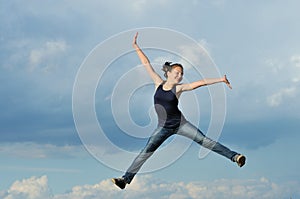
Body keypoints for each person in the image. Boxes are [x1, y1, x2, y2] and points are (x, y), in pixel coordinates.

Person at [112, 32, 246, 189]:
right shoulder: (158, 83)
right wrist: (136, 47)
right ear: (168, 73)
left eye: (182, 74)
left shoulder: (179, 88)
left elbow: (200, 83)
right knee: (145, 152)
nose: (180, 75)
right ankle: (124, 180)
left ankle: (235, 157)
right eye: (177, 72)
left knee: (205, 141)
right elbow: (146, 63)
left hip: (181, 124)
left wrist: (221, 80)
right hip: (162, 128)